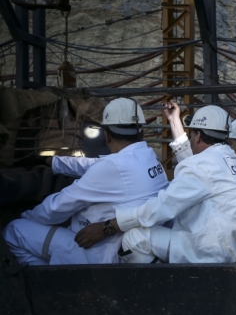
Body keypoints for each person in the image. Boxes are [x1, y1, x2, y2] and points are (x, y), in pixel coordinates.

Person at [75, 104, 236, 264]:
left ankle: (166, 289)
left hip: (212, 251)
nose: (190, 138)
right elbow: (195, 166)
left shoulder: (200, 166)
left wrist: (110, 226)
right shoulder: (231, 158)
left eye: (191, 134)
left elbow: (163, 207)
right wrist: (174, 120)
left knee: (134, 238)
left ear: (198, 136)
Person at [3, 98, 168, 265]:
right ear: (142, 132)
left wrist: (26, 216)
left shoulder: (113, 167)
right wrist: (51, 162)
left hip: (97, 253)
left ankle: (44, 282)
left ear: (106, 136)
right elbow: (96, 165)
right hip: (128, 247)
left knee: (15, 230)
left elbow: (59, 206)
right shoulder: (148, 158)